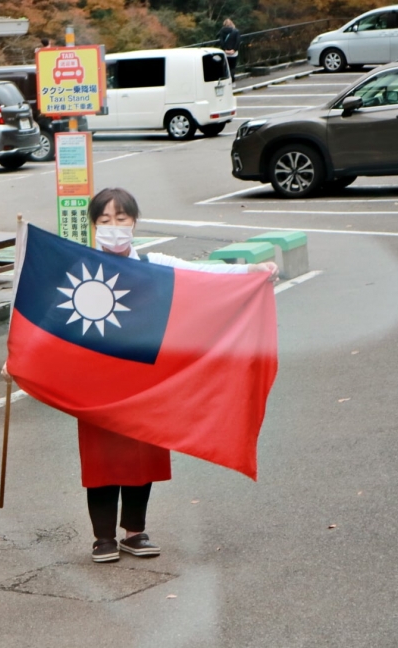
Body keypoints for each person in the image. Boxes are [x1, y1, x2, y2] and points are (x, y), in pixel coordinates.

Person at [75, 187, 276, 564]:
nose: (114, 227)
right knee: (101, 457)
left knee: (142, 452)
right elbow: (49, 320)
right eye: (105, 221)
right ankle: (102, 537)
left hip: (147, 376)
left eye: (121, 219)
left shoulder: (154, 262)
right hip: (97, 381)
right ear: (94, 226)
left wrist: (251, 271)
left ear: (134, 223)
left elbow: (202, 273)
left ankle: (135, 531)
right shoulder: (82, 268)